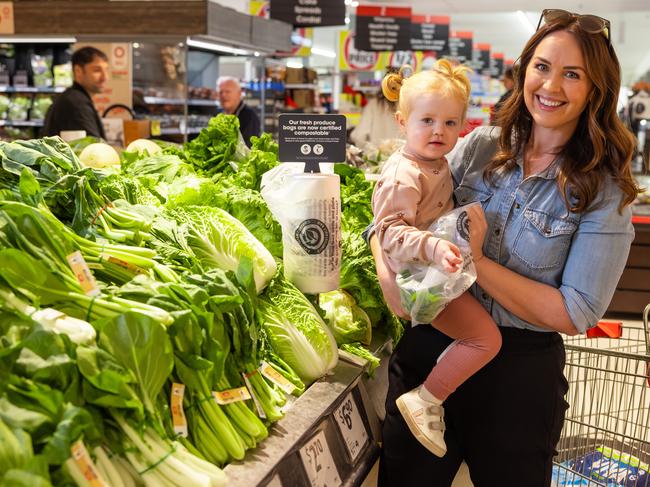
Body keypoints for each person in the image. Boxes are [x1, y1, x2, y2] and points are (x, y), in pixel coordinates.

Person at [368, 9, 640, 486]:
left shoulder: (604, 190)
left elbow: (574, 311)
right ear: (524, 71)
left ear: (596, 89)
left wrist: (475, 259)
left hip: (518, 378)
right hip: (431, 346)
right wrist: (389, 277)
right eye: (542, 67)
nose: (551, 85)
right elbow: (395, 215)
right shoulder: (478, 146)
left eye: (572, 74)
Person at [371, 60, 501, 458]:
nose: (438, 132)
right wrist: (433, 246)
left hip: (431, 273)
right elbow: (389, 230)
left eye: (449, 123)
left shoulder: (433, 162)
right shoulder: (404, 174)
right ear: (401, 120)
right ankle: (427, 398)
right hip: (419, 282)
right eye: (426, 120)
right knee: (485, 339)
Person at [44, 46, 108, 139]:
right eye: (97, 70)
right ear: (78, 71)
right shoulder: (76, 102)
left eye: (106, 70)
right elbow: (93, 146)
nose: (105, 77)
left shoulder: (73, 97)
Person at [217, 76, 260, 148]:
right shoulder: (217, 115)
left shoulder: (249, 116)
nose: (223, 95)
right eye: (221, 92)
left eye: (227, 91)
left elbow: (248, 148)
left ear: (239, 93)